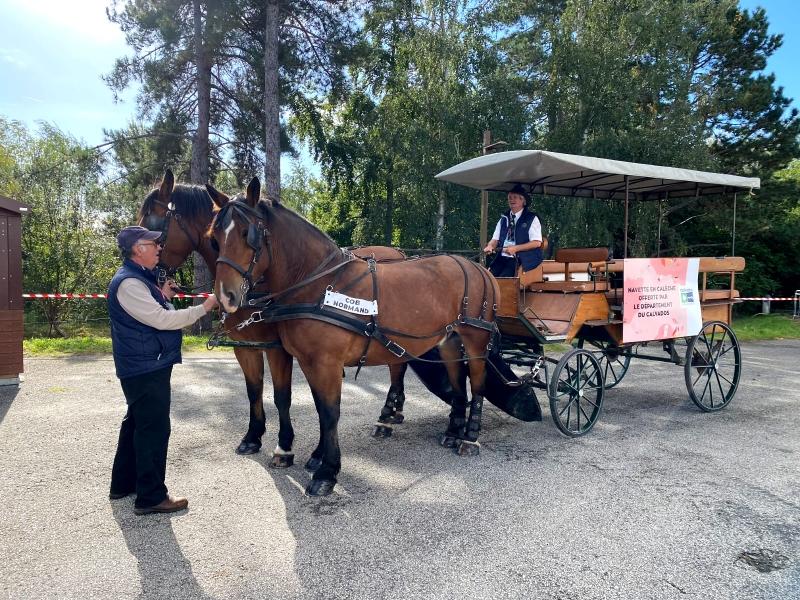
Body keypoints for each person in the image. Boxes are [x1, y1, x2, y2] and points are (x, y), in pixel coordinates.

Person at [108, 225, 218, 515]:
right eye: (152, 243)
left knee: (136, 423)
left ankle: (123, 484)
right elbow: (162, 320)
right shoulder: (129, 283)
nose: (159, 247)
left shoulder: (139, 280)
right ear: (137, 249)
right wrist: (205, 308)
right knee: (153, 429)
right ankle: (151, 497)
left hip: (144, 364)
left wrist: (165, 296)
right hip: (146, 367)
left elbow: (158, 312)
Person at [483, 184, 544, 277]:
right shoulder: (503, 218)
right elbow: (495, 239)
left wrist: (516, 248)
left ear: (523, 201)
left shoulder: (531, 218)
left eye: (515, 197)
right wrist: (490, 246)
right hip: (502, 257)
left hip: (522, 259)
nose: (511, 200)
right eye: (510, 197)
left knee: (504, 280)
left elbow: (536, 243)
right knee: (488, 278)